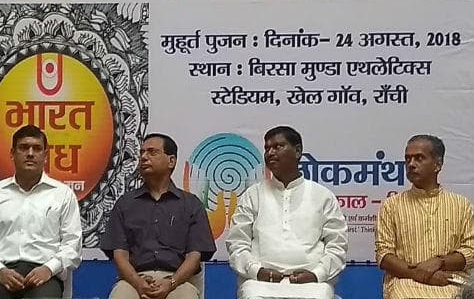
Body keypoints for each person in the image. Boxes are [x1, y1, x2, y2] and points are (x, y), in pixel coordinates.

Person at [226, 126, 348, 299]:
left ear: (297, 151)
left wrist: (317, 274)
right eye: (267, 148)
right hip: (261, 283)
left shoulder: (322, 196)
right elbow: (237, 242)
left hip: (312, 284)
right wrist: (256, 271)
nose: (270, 153)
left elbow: (337, 245)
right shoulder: (253, 195)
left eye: (278, 146)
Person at [100, 133, 216, 299]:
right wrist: (138, 283)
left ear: (171, 161)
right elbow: (120, 254)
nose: (144, 157)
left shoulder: (191, 204)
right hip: (134, 280)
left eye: (152, 152)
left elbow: (194, 256)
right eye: (142, 153)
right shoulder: (125, 203)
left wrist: (171, 282)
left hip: (178, 281)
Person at [0, 125, 82, 299]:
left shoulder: (63, 195)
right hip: (1, 274)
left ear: (45, 156)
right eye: (23, 148)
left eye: (37, 148)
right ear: (12, 154)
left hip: (45, 274)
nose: (30, 153)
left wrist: (49, 268)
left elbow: (72, 243)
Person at [375, 134, 474, 299]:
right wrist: (419, 274)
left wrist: (440, 262)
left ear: (438, 165)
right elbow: (384, 256)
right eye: (408, 159)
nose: (411, 164)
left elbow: (471, 251)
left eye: (419, 158)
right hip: (406, 282)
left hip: (451, 281)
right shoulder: (391, 205)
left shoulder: (461, 205)